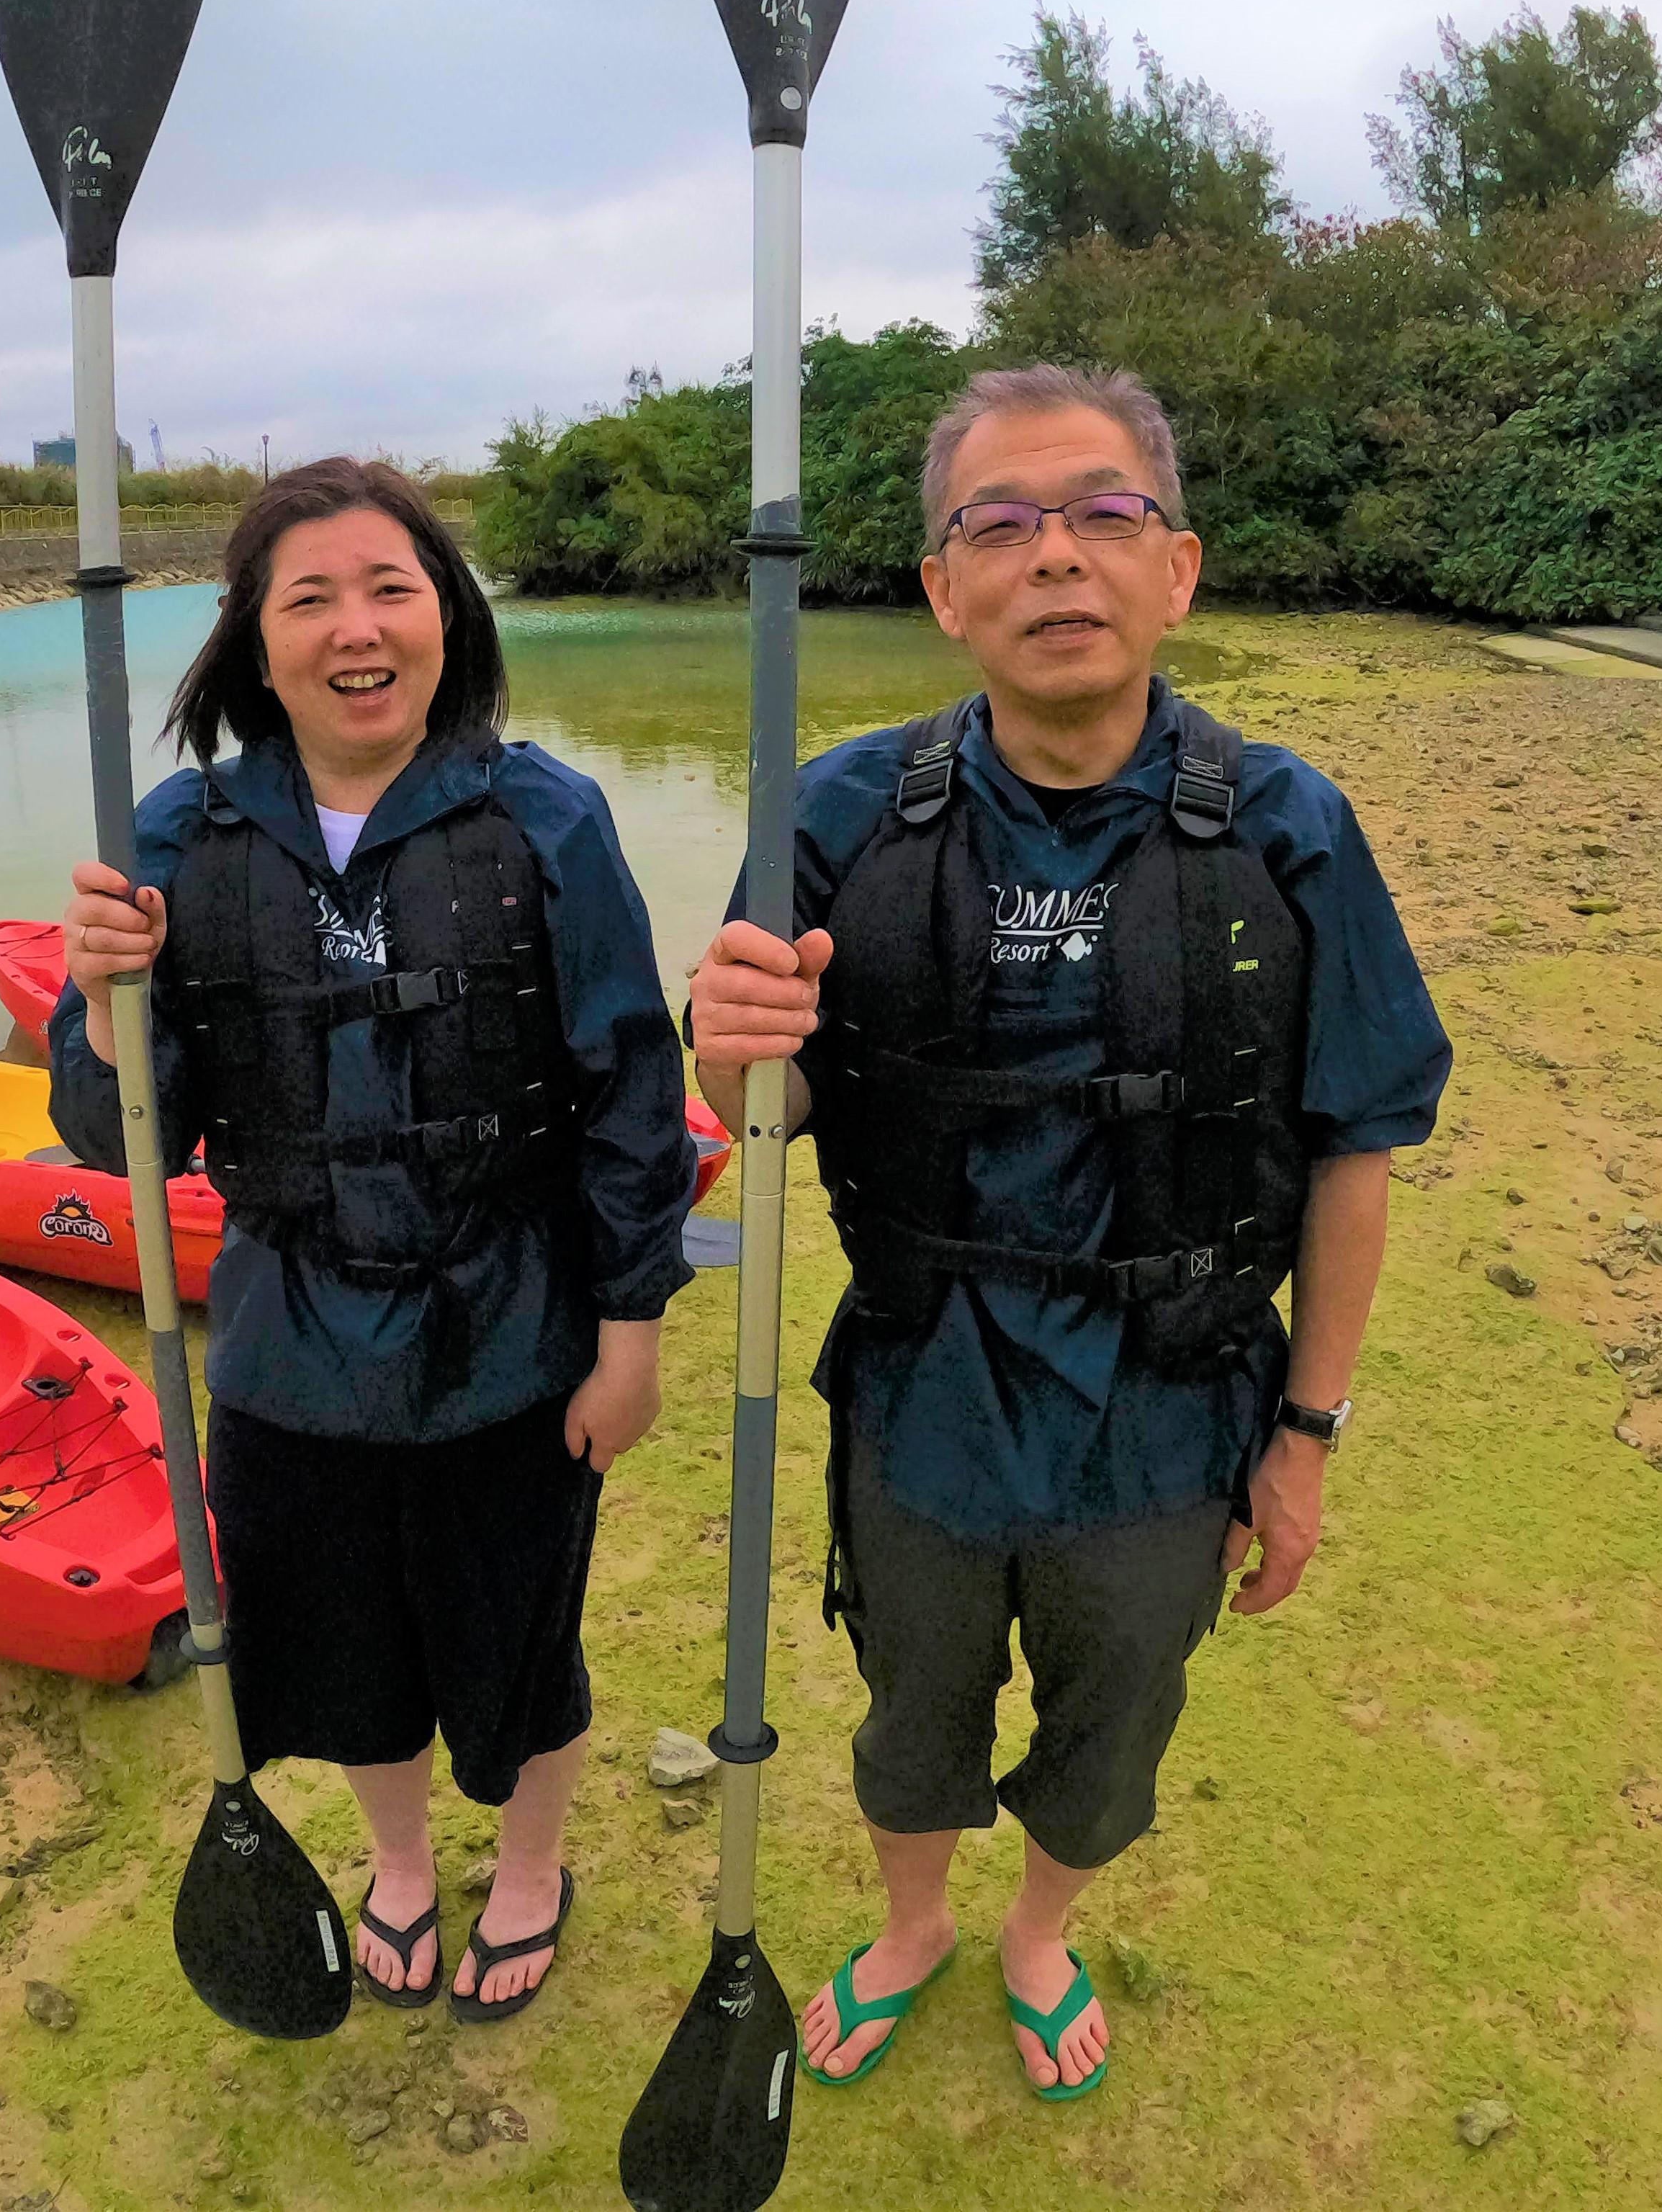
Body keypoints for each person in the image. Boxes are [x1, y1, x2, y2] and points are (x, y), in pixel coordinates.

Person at [686, 364, 1451, 2101]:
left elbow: (1353, 1149)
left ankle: (1039, 1926)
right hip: (922, 1394)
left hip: (1170, 1401)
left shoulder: (1288, 827)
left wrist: (1307, 1436)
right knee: (909, 1708)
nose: (1055, 558)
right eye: (1000, 525)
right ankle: (911, 1924)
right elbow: (758, 1114)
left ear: (1175, 569)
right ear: (943, 588)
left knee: (1114, 1718)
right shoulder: (830, 817)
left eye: (1103, 515)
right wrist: (728, 1042)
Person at [48, 457, 696, 2020]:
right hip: (288, 1340)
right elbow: (106, 1131)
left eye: (391, 587)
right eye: (311, 597)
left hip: (514, 1329)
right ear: (254, 642)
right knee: (341, 1645)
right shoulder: (181, 835)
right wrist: (97, 998)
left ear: (446, 618)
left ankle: (529, 1866)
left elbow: (629, 1086)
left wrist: (632, 1332)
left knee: (521, 1639)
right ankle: (400, 1864)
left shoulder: (548, 816)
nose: (357, 627)